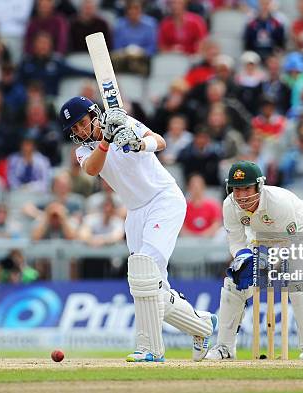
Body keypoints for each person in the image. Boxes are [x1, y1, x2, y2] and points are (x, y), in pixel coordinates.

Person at [59, 96, 216, 362]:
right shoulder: (84, 150)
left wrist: (139, 143)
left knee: (145, 269)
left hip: (163, 199)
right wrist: (107, 141)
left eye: (81, 123)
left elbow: (161, 142)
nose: (78, 131)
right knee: (148, 285)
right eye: (73, 128)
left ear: (93, 114)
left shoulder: (123, 122)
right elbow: (92, 169)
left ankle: (150, 349)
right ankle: (202, 326)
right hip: (135, 211)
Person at [204, 160, 303, 361]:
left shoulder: (278, 202)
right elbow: (236, 240)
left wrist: (265, 263)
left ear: (259, 185)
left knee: (297, 280)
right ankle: (224, 348)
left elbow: (288, 244)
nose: (241, 196)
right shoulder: (229, 205)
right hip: (261, 239)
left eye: (246, 188)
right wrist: (244, 260)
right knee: (234, 283)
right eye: (236, 189)